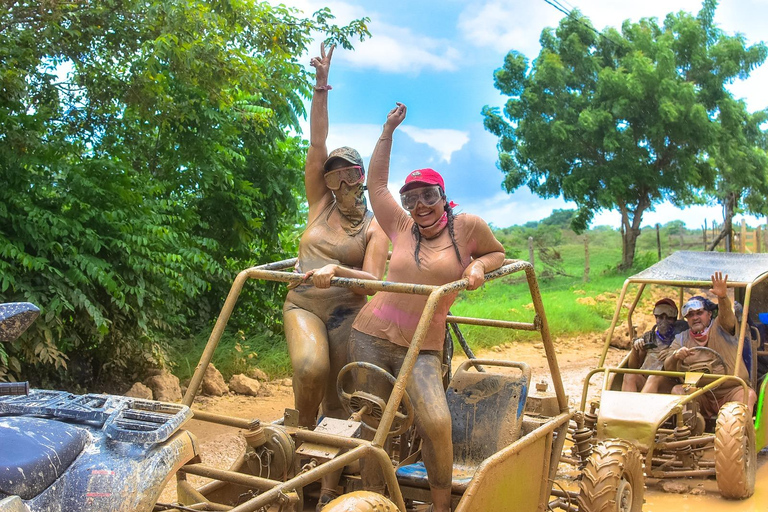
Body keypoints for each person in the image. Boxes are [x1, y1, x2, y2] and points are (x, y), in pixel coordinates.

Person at [348, 103, 505, 512]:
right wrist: (387, 131)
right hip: (372, 335)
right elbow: (376, 188)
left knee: (436, 424)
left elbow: (498, 253)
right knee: (373, 425)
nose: (419, 205)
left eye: (428, 196)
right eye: (412, 198)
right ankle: (371, 502)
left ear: (443, 196)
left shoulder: (467, 226)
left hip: (422, 345)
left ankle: (440, 507)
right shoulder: (400, 226)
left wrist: (478, 266)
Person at [282, 42, 388, 432]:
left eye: (350, 175)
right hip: (305, 304)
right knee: (311, 370)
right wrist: (320, 86)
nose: (341, 182)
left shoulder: (375, 228)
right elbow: (316, 143)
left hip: (347, 311)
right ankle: (300, 438)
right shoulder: (319, 204)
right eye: (333, 175)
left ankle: (331, 470)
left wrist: (339, 269)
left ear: (362, 178)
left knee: (341, 397)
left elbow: (373, 285)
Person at [663, 272, 758, 415]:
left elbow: (726, 315)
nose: (695, 318)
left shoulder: (721, 327)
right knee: (677, 391)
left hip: (731, 391)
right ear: (686, 319)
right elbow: (668, 368)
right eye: (690, 315)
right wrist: (676, 356)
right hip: (700, 393)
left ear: (709, 314)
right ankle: (686, 432)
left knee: (748, 395)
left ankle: (741, 434)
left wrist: (722, 297)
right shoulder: (681, 339)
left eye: (699, 313)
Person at [622, 298, 687, 393]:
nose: (664, 322)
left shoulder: (680, 339)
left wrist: (672, 355)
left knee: (654, 378)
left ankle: (642, 406)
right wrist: (635, 349)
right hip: (646, 380)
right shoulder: (649, 337)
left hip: (668, 384)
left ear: (674, 319)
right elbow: (633, 366)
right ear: (656, 318)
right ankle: (627, 406)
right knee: (629, 375)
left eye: (668, 318)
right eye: (660, 317)